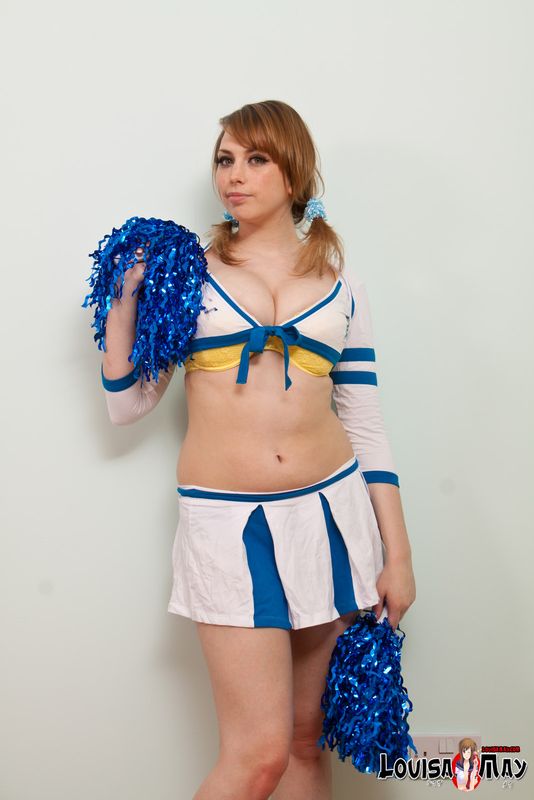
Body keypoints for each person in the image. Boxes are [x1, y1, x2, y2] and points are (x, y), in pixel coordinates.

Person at [100, 100, 416, 800]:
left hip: (331, 520)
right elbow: (126, 405)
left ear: (294, 172)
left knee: (304, 745)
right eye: (224, 160)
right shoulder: (188, 276)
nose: (233, 176)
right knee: (257, 757)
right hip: (226, 525)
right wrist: (125, 297)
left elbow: (365, 424)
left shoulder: (341, 285)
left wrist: (398, 555)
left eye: (255, 159)